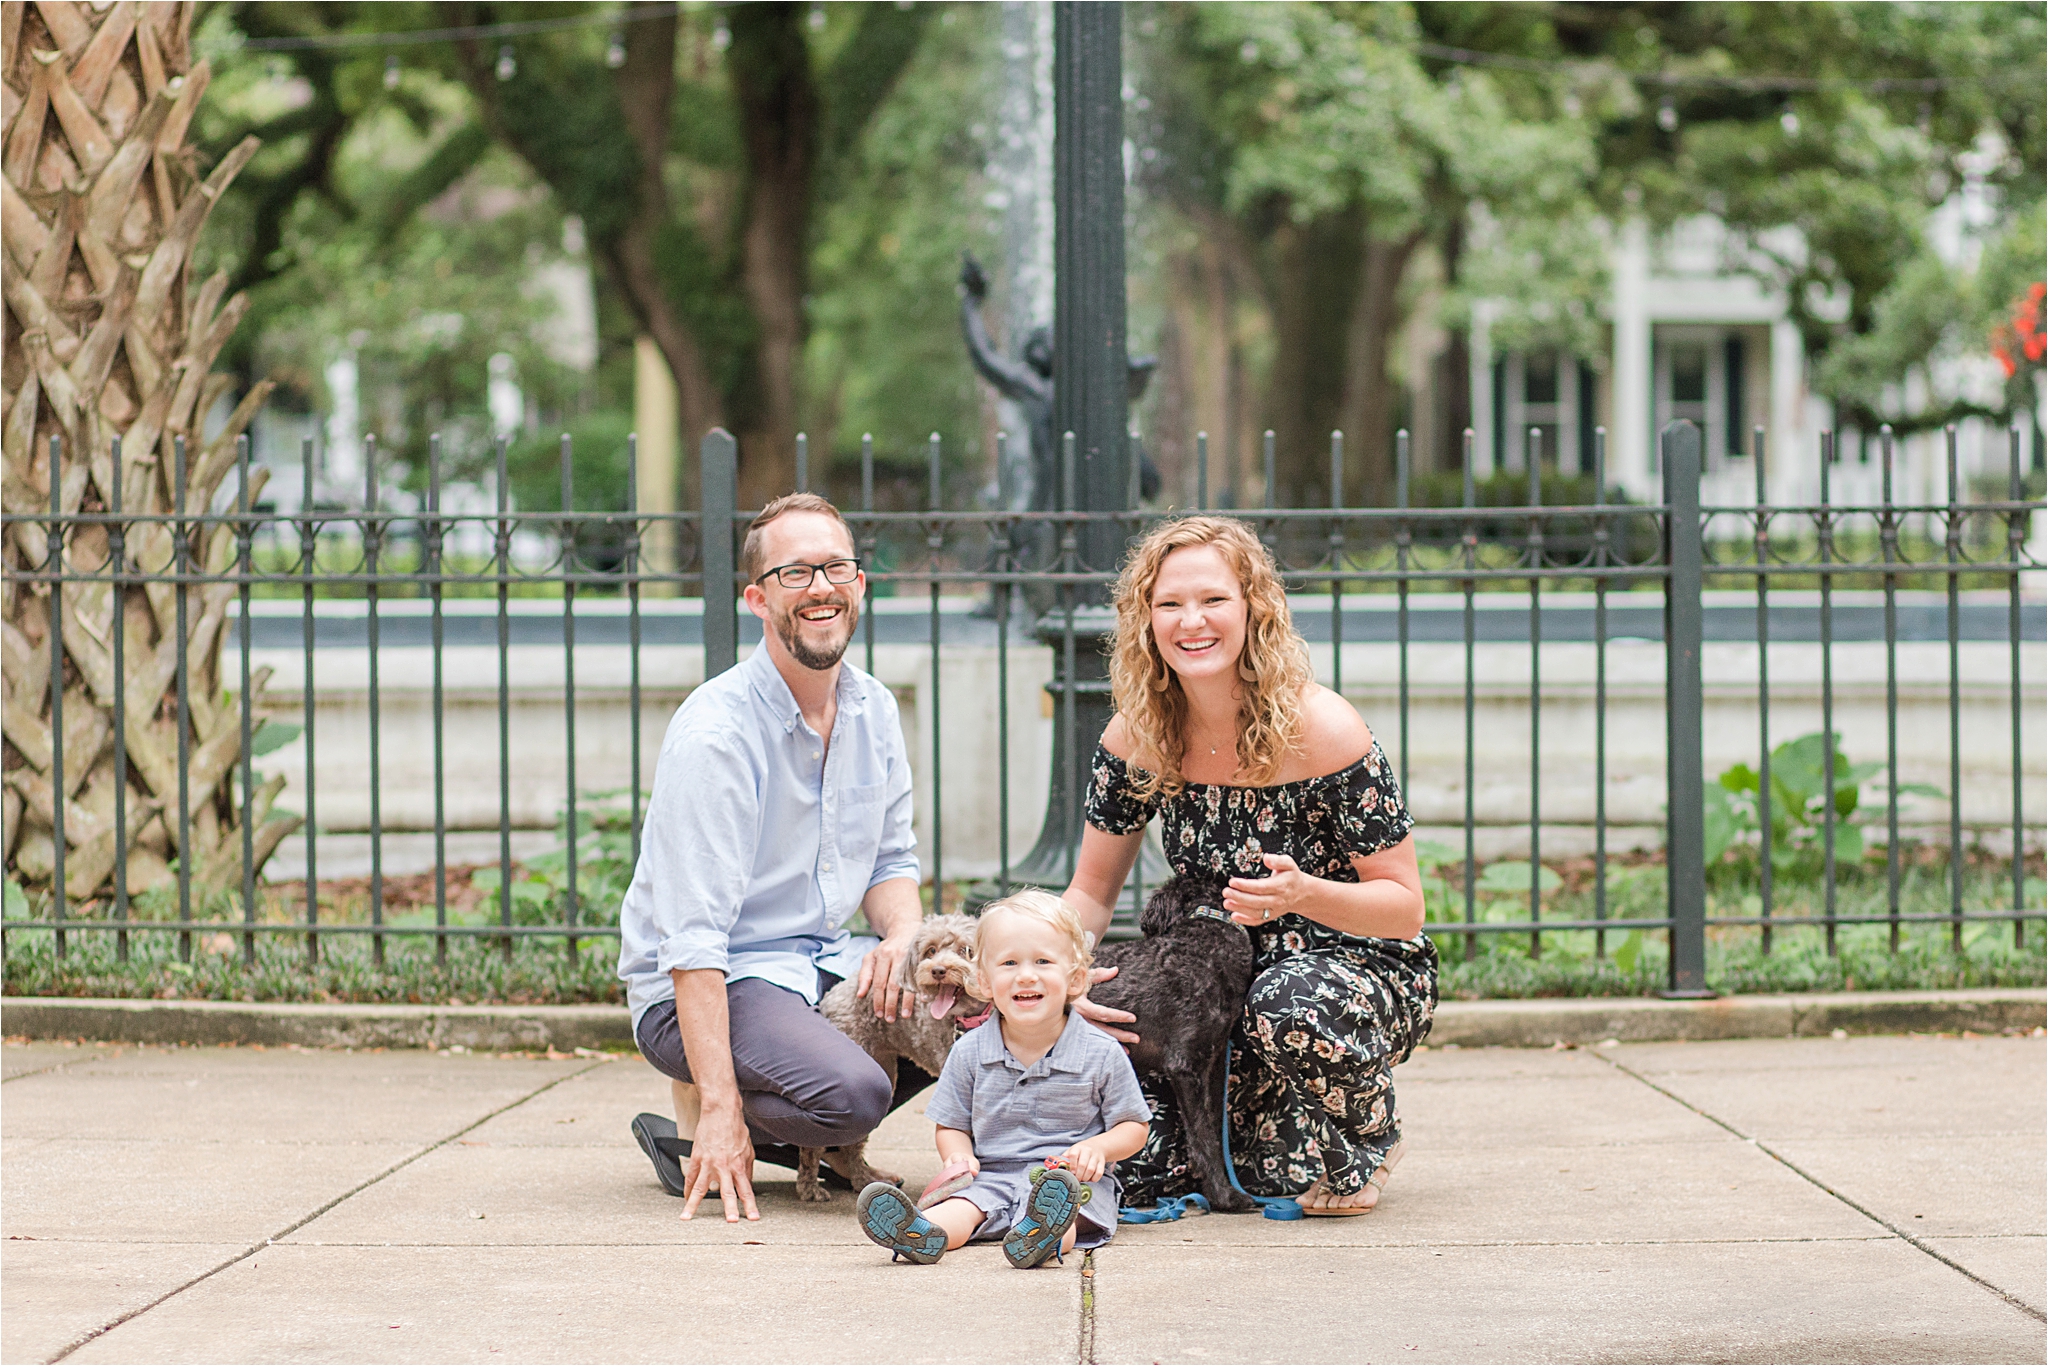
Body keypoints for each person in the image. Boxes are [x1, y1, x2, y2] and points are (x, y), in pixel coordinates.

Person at [1063, 515, 1436, 1216]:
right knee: (1139, 1166)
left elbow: (1404, 907)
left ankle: (1370, 1133)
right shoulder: (1137, 734)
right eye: (1169, 604)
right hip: (1204, 989)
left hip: (1337, 972)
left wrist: (1301, 894)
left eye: (1213, 600)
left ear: (1254, 609)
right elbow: (1090, 889)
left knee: (1287, 1004)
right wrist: (1063, 978)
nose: (1190, 622)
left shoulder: (1322, 728)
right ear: (1144, 621)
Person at [617, 491, 927, 1224]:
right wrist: (726, 1104)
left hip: (818, 960)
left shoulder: (873, 709)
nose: (820, 587)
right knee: (853, 1095)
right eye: (795, 573)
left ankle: (785, 1120)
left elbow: (891, 863)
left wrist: (904, 939)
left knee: (967, 1003)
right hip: (715, 979)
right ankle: (710, 1115)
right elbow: (693, 941)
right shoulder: (717, 735)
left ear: (860, 585)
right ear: (758, 599)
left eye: (835, 568)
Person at [851, 890, 1152, 1267]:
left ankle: (1042, 1236)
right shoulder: (970, 1050)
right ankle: (919, 1232)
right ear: (984, 982)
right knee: (961, 1209)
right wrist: (957, 1154)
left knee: (1063, 1213)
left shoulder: (1100, 1051)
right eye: (1009, 963)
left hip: (1067, 1180)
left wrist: (1100, 1149)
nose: (1026, 975)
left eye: (1043, 961)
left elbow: (1134, 1126)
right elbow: (951, 1125)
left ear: (1075, 979)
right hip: (989, 1178)